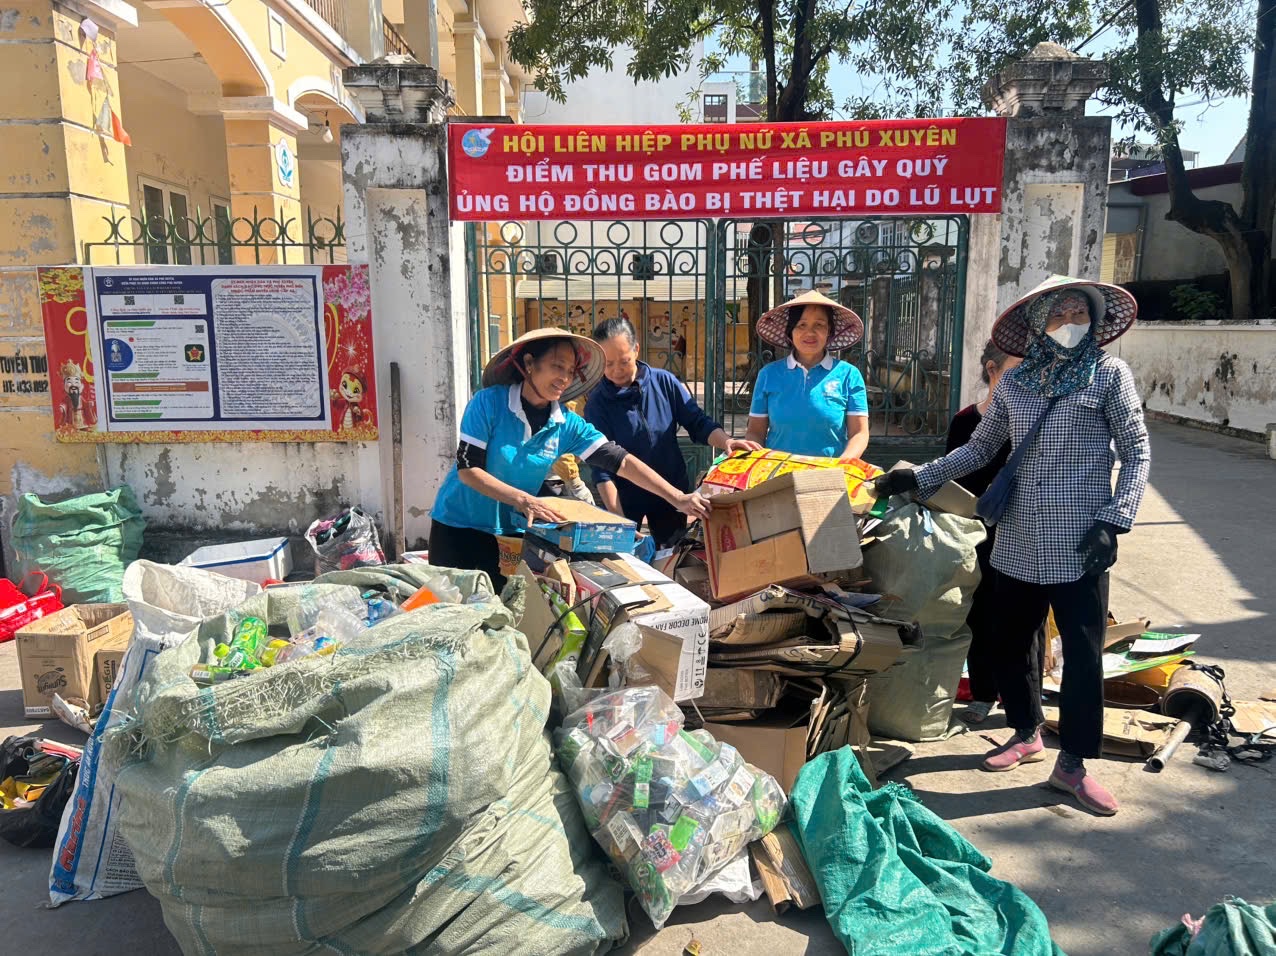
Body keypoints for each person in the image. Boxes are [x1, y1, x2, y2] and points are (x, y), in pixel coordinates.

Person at [874, 276, 1150, 816]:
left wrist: (1115, 521)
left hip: (1081, 541)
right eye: (1059, 312)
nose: (1069, 321)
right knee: (1009, 641)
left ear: (1096, 321)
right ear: (1039, 322)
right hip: (1018, 537)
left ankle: (1073, 765)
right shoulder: (1018, 382)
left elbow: (1136, 451)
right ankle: (1026, 731)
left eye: (1080, 312)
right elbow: (979, 449)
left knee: (1083, 655)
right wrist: (918, 477)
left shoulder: (1109, 375)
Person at [430, 328, 711, 589]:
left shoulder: (566, 423)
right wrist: (524, 500)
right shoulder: (488, 403)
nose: (565, 378)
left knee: (505, 611)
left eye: (570, 370)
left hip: (511, 535)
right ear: (529, 363)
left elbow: (621, 461)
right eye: (557, 366)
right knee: (451, 612)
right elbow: (468, 469)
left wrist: (678, 498)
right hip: (458, 528)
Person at [586, 316, 758, 548]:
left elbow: (697, 422)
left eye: (624, 361)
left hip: (673, 490)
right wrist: (619, 522)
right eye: (608, 364)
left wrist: (726, 441)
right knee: (628, 559)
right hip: (625, 496)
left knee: (673, 555)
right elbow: (602, 471)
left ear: (636, 350)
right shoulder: (597, 403)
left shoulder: (664, 382)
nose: (617, 370)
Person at [947, 340, 1025, 724]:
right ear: (992, 370)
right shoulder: (965, 421)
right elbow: (952, 476)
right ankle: (982, 692)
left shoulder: (1030, 422)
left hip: (1022, 529)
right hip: (975, 531)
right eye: (1017, 368)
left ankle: (1019, 695)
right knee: (978, 612)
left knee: (1019, 617)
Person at [744, 289, 870, 459]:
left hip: (830, 472)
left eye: (819, 325)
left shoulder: (849, 375)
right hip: (778, 472)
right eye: (801, 325)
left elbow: (859, 433)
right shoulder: (768, 375)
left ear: (829, 330)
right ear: (790, 331)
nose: (810, 333)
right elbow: (755, 433)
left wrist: (843, 463)